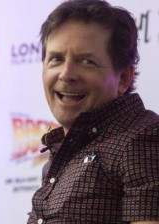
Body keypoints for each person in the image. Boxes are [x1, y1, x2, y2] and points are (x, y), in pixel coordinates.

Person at [27, 0, 159, 223]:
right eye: (56, 59)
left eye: (87, 61)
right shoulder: (64, 150)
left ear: (123, 78)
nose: (66, 74)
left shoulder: (144, 136)